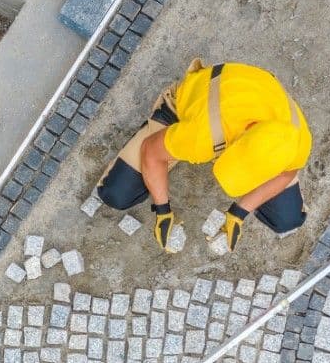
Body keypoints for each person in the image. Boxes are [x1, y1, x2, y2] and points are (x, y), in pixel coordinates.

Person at [97, 60, 311, 252]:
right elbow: (151, 151)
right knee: (116, 193)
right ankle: (166, 116)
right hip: (195, 103)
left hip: (251, 97)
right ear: (235, 144)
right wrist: (163, 210)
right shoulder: (203, 138)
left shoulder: (298, 140)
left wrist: (239, 212)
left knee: (287, 219)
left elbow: (285, 174)